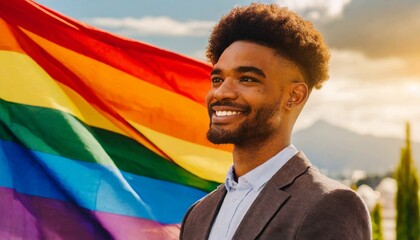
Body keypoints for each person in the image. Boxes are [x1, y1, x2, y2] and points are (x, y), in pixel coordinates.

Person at [180, 3, 371, 240]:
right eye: (217, 79)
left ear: (294, 96)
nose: (220, 93)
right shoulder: (198, 214)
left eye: (247, 79)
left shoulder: (329, 203)